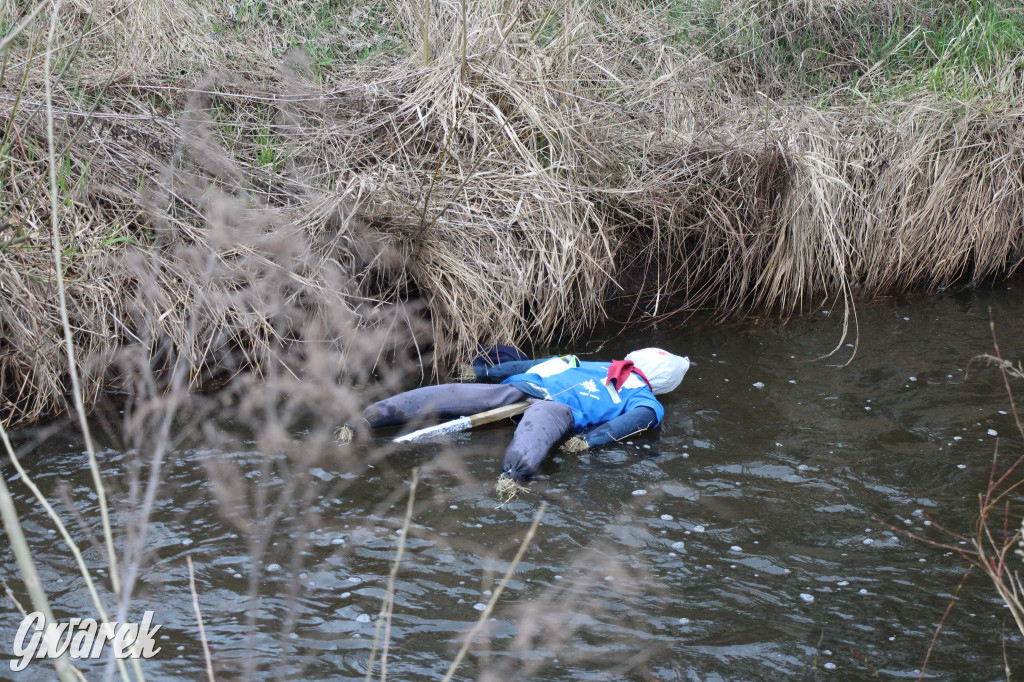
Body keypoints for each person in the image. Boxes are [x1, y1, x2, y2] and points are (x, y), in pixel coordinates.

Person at [354, 347, 690, 482]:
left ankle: (368, 418)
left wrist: (485, 373)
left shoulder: (586, 361)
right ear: (665, 384)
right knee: (536, 433)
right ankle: (512, 479)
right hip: (559, 409)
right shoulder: (646, 398)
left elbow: (533, 366)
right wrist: (587, 442)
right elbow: (634, 421)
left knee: (454, 395)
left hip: (526, 387)